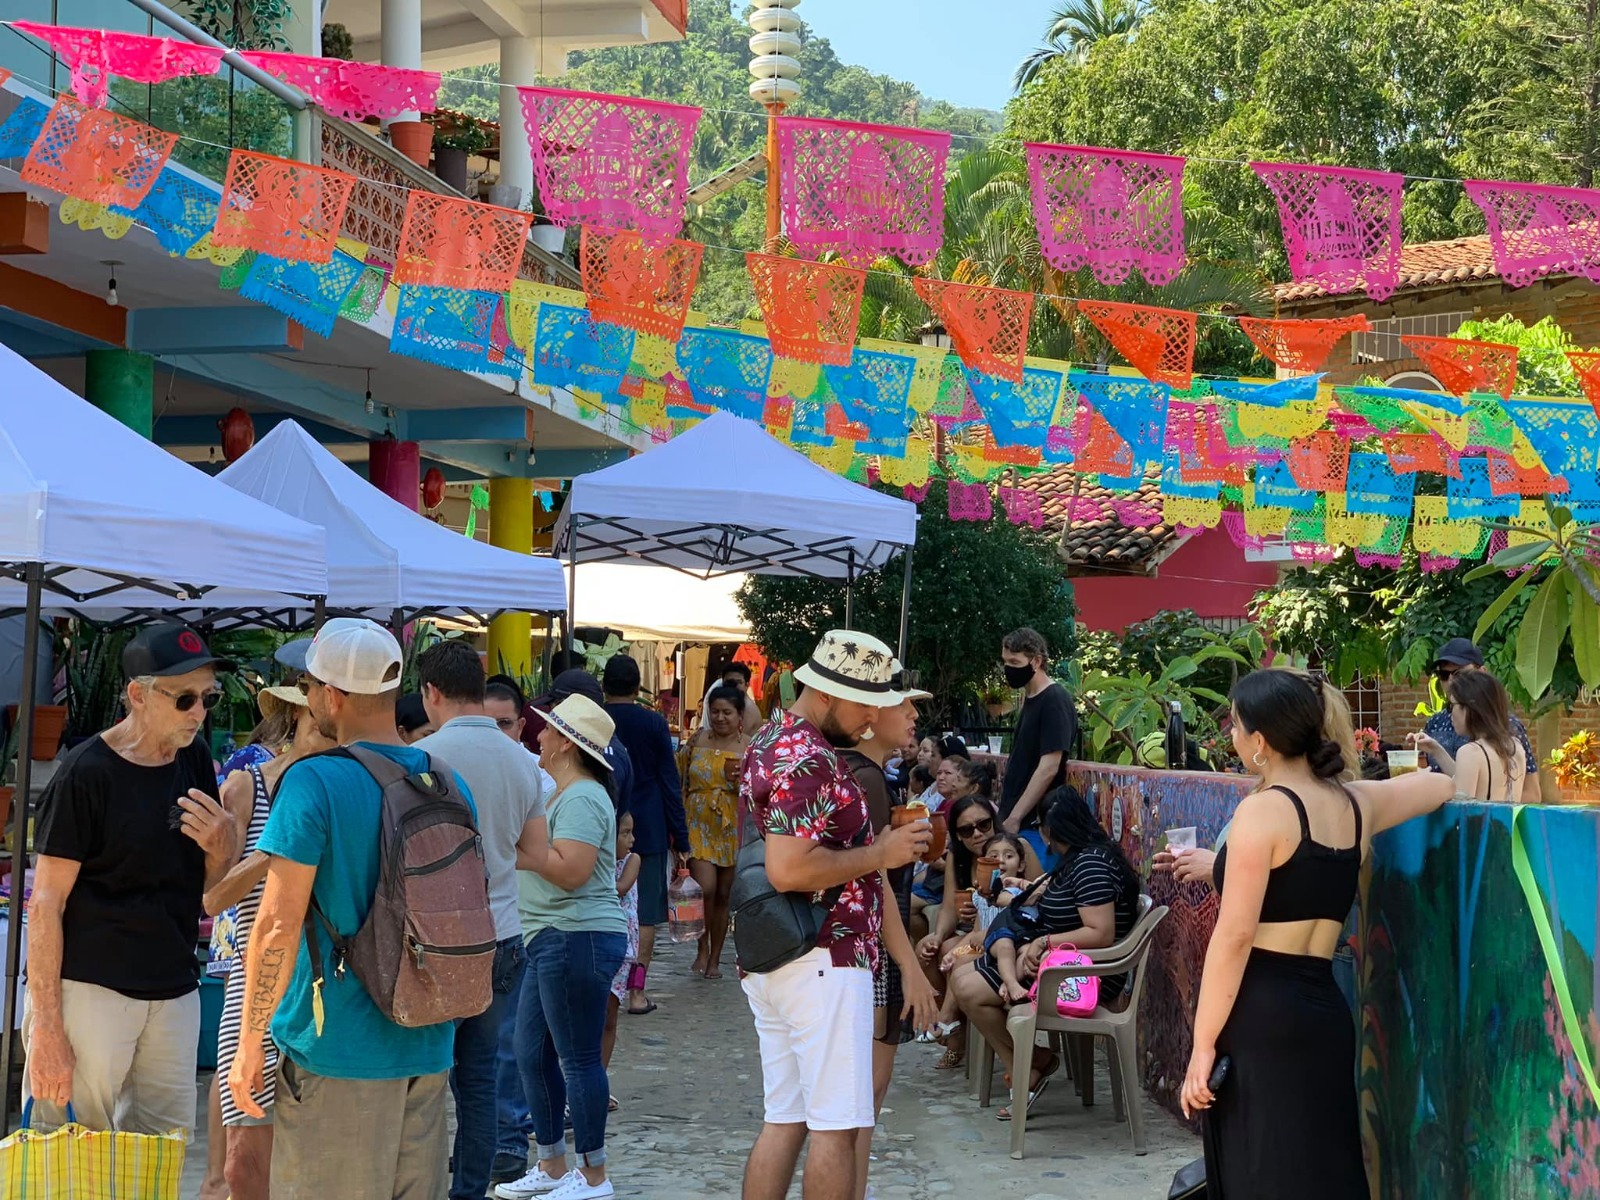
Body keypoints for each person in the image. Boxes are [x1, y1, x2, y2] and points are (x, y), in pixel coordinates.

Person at [1179, 669, 1453, 1199]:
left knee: (1262, 1165)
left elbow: (1233, 938)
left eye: (1235, 726)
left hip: (1260, 1009)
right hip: (1324, 1009)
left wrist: (1202, 1045)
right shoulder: (1355, 804)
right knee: (1322, 1163)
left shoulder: (1261, 811)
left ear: (1260, 742)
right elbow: (1441, 786)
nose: (1231, 735)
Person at [228, 618, 470, 1199]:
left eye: (310, 687)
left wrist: (250, 1040)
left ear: (330, 695)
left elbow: (278, 924)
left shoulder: (314, 782)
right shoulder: (444, 779)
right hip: (427, 1043)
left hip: (337, 1049)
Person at [738, 629, 932, 1200]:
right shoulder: (810, 760)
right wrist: (883, 853)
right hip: (824, 956)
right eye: (866, 702)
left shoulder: (772, 738)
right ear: (826, 693)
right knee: (836, 1129)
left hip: (785, 955)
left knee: (786, 1119)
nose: (873, 715)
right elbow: (790, 869)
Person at [26, 621, 239, 1134]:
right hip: (93, 991)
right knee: (72, 1150)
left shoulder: (193, 761)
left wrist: (223, 846)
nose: (200, 713)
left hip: (174, 989)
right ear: (138, 695)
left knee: (164, 1153)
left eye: (208, 697)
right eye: (184, 699)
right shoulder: (85, 773)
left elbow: (206, 893)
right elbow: (45, 904)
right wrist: (48, 1027)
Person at [414, 640, 552, 1200]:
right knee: (479, 1082)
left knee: (422, 1081)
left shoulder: (423, 757)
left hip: (434, 940)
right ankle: (469, 1191)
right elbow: (537, 850)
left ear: (431, 693)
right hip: (502, 934)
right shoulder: (524, 761)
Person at [493, 669, 636, 1184]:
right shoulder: (563, 791)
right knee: (532, 1054)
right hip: (552, 935)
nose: (541, 735)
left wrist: (518, 851)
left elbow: (572, 871)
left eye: (550, 730)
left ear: (567, 745)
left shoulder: (581, 796)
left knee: (576, 1060)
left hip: (577, 934)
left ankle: (593, 1175)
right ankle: (552, 1165)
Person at [205, 684, 335, 1200]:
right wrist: (278, 850)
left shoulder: (348, 782)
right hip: (256, 969)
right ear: (298, 712)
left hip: (326, 980)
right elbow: (214, 897)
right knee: (246, 1155)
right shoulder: (248, 785)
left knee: (314, 1150)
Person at [951, 785, 1141, 1120]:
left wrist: (1043, 943)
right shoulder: (1079, 860)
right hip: (1065, 965)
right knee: (962, 976)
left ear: (1052, 830)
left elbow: (1100, 932)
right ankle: (1031, 1063)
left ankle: (1031, 1067)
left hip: (1084, 976)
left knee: (968, 988)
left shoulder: (1091, 866)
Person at [838, 677, 940, 1200]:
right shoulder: (868, 778)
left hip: (865, 946)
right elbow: (875, 883)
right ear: (872, 714)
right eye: (905, 707)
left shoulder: (866, 774)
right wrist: (909, 968)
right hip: (872, 949)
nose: (914, 717)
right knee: (864, 1098)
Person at [913, 794, 1043, 1067]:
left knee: (953, 951)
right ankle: (956, 1033)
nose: (976, 833)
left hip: (1013, 932)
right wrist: (937, 935)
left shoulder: (1016, 848)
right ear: (957, 836)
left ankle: (948, 1022)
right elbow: (949, 907)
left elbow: (1037, 895)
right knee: (928, 947)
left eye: (983, 824)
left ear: (994, 823)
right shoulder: (958, 858)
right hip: (978, 928)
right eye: (966, 830)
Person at [601, 654, 688, 1016]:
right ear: (638, 688)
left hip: (601, 823)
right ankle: (636, 992)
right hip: (647, 830)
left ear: (604, 686)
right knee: (646, 914)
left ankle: (605, 990)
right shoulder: (654, 723)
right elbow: (670, 782)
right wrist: (681, 839)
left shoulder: (598, 721)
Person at [1414, 638, 1539, 802]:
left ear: (1471, 707)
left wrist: (1426, 782)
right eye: (1443, 675)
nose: (1451, 680)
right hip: (1503, 826)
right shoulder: (1514, 746)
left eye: (1455, 706)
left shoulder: (1469, 752)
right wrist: (1437, 750)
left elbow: (1460, 810)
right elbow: (1469, 776)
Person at [680, 683, 749, 978]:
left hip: (732, 823)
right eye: (715, 712)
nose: (720, 718)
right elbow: (680, 776)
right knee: (704, 888)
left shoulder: (750, 747)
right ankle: (701, 947)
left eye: (727, 713)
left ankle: (715, 957)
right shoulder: (697, 741)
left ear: (739, 716)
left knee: (723, 894)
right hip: (698, 821)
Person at [997, 629, 1078, 861]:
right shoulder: (1030, 699)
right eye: (1005, 662)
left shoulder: (1054, 700)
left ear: (1036, 661)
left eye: (1015, 662)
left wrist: (1015, 817)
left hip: (1035, 826)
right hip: (1019, 821)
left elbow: (1049, 766)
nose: (1009, 669)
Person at [601, 811, 640, 1096]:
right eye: (624, 833)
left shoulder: (632, 861)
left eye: (630, 832)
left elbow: (621, 888)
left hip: (623, 948)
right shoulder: (596, 862)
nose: (631, 839)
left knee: (609, 1016)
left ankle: (599, 1078)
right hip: (599, 942)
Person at [698, 661, 763, 735]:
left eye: (738, 682)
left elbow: (734, 742)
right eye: (729, 682)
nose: (733, 685)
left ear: (747, 685)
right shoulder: (722, 700)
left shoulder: (748, 709)